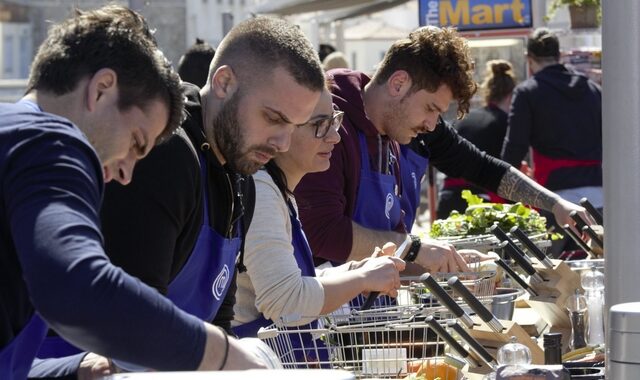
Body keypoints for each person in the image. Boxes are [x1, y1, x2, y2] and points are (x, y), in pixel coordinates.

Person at [33, 13, 327, 375]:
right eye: (273, 118)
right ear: (224, 82)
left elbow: (219, 313)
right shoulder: (167, 156)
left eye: (294, 127)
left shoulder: (242, 181)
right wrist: (222, 354)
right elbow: (127, 321)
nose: (283, 143)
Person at [0, 5, 264, 380]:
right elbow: (77, 289)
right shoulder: (51, 142)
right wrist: (219, 353)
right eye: (136, 143)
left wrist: (75, 368)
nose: (126, 173)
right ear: (102, 89)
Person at [295, 26, 593, 275]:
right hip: (322, 316)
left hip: (371, 310)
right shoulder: (330, 125)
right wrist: (416, 248)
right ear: (398, 84)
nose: (431, 124)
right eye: (430, 108)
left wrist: (554, 204)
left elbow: (481, 167)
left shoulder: (409, 127)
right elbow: (322, 231)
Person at [232, 86, 405, 340]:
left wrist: (357, 269)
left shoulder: (279, 190)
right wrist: (363, 278)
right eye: (320, 124)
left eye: (334, 120)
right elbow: (287, 303)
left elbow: (298, 279)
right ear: (281, 128)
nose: (335, 136)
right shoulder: (261, 192)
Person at [501, 27, 602, 227]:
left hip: (555, 201)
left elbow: (515, 147)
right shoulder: (593, 90)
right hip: (600, 196)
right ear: (559, 55)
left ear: (528, 59)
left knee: (553, 259)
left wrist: (503, 189)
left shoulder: (527, 92)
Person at [437, 59, 516, 219]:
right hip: (482, 204)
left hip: (448, 199)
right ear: (510, 97)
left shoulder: (465, 119)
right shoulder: (506, 123)